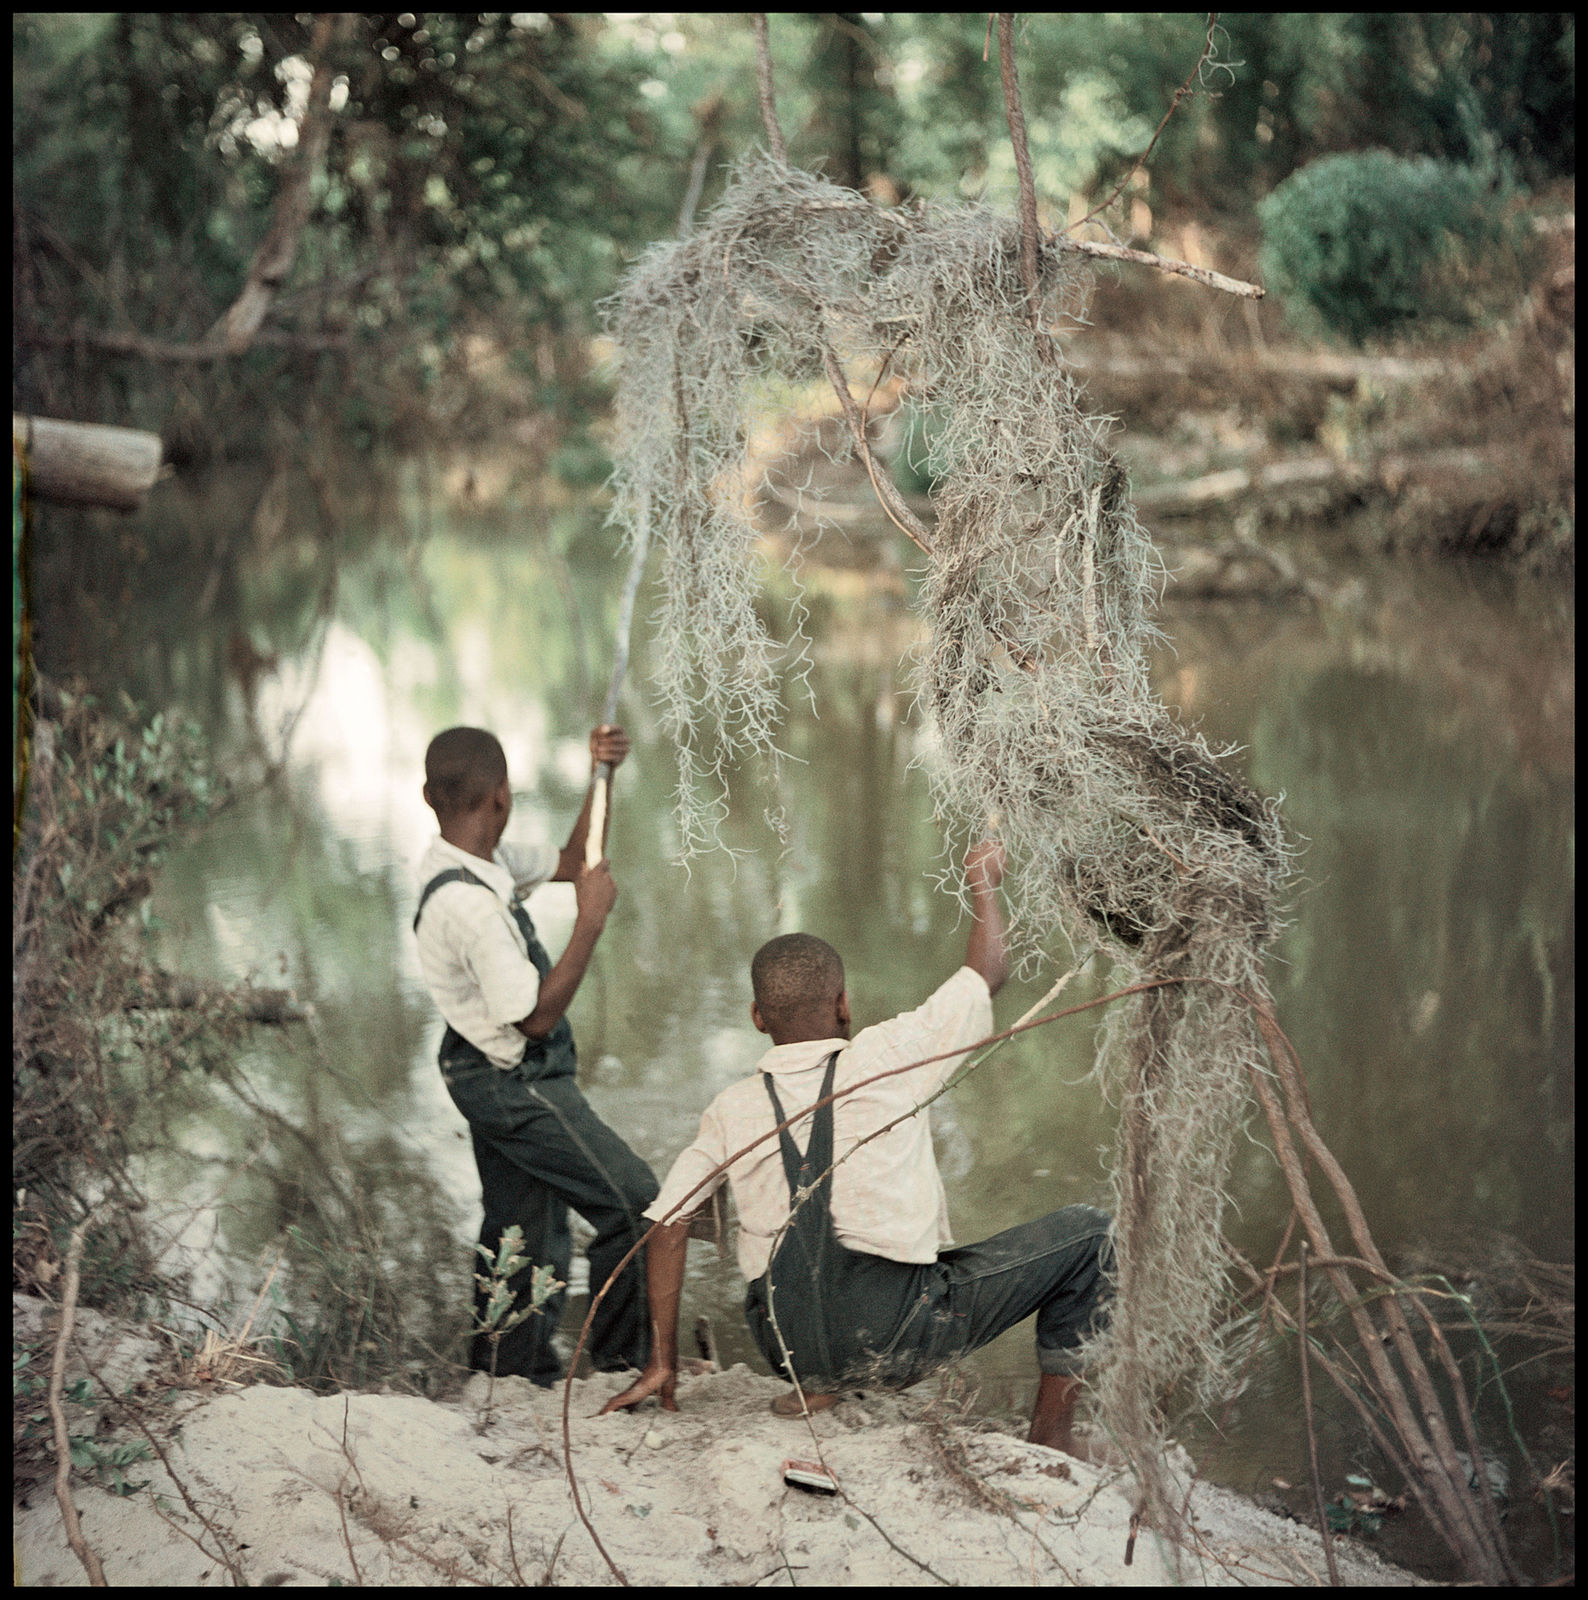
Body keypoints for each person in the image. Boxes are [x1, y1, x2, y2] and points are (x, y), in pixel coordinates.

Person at [601, 841, 1113, 1455]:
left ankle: (817, 1388)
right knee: (1089, 1237)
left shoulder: (731, 1109)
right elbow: (988, 974)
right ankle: (1053, 1437)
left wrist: (662, 1360)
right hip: (894, 1338)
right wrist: (982, 881)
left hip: (785, 1348)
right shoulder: (889, 1055)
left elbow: (668, 1221)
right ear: (844, 1005)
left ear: (758, 1018)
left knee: (802, 1267)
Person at [414, 723, 658, 1385]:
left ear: (429, 796)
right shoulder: (469, 907)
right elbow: (536, 1016)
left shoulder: (473, 860)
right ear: (502, 797)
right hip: (509, 1076)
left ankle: (507, 1374)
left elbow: (578, 856)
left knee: (524, 1226)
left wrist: (599, 774)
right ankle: (617, 1367)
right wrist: (590, 922)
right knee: (635, 1204)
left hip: (478, 1061)